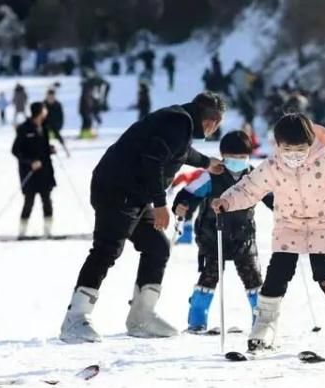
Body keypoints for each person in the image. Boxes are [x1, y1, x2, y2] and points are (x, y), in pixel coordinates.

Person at [59, 92, 227, 344]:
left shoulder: (180, 122)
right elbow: (153, 160)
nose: (215, 130)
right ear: (211, 121)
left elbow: (180, 152)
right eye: (218, 125)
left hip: (134, 193)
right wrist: (160, 204)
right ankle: (75, 318)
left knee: (157, 246)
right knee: (107, 249)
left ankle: (141, 317)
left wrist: (206, 162)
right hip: (117, 189)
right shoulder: (178, 122)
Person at [212, 113, 325, 352]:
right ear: (277, 145)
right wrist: (227, 201)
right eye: (288, 151)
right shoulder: (272, 166)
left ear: (311, 143)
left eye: (300, 150)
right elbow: (250, 188)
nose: (294, 157)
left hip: (322, 222)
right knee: (278, 271)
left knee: (324, 268)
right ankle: (265, 324)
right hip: (288, 224)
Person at [173, 131, 273, 332]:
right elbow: (189, 193)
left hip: (243, 236)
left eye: (241, 157)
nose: (237, 162)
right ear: (223, 156)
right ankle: (197, 320)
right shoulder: (210, 176)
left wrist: (283, 209)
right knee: (210, 275)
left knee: (253, 277)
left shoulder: (254, 177)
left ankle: (261, 321)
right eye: (232, 158)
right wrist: (182, 205)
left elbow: (270, 198)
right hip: (212, 235)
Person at [11, 102, 56, 238]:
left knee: (47, 201)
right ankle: (22, 232)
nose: (46, 112)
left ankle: (48, 231)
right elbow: (15, 151)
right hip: (29, 173)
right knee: (29, 202)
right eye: (44, 110)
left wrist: (50, 150)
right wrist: (30, 162)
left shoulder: (45, 126)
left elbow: (43, 147)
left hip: (45, 172)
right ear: (39, 112)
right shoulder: (24, 129)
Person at [44, 88, 69, 156]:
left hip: (55, 125)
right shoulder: (43, 104)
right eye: (49, 96)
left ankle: (67, 151)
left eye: (52, 96)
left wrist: (59, 126)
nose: (50, 98)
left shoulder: (58, 105)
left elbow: (61, 117)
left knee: (59, 137)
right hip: (45, 125)